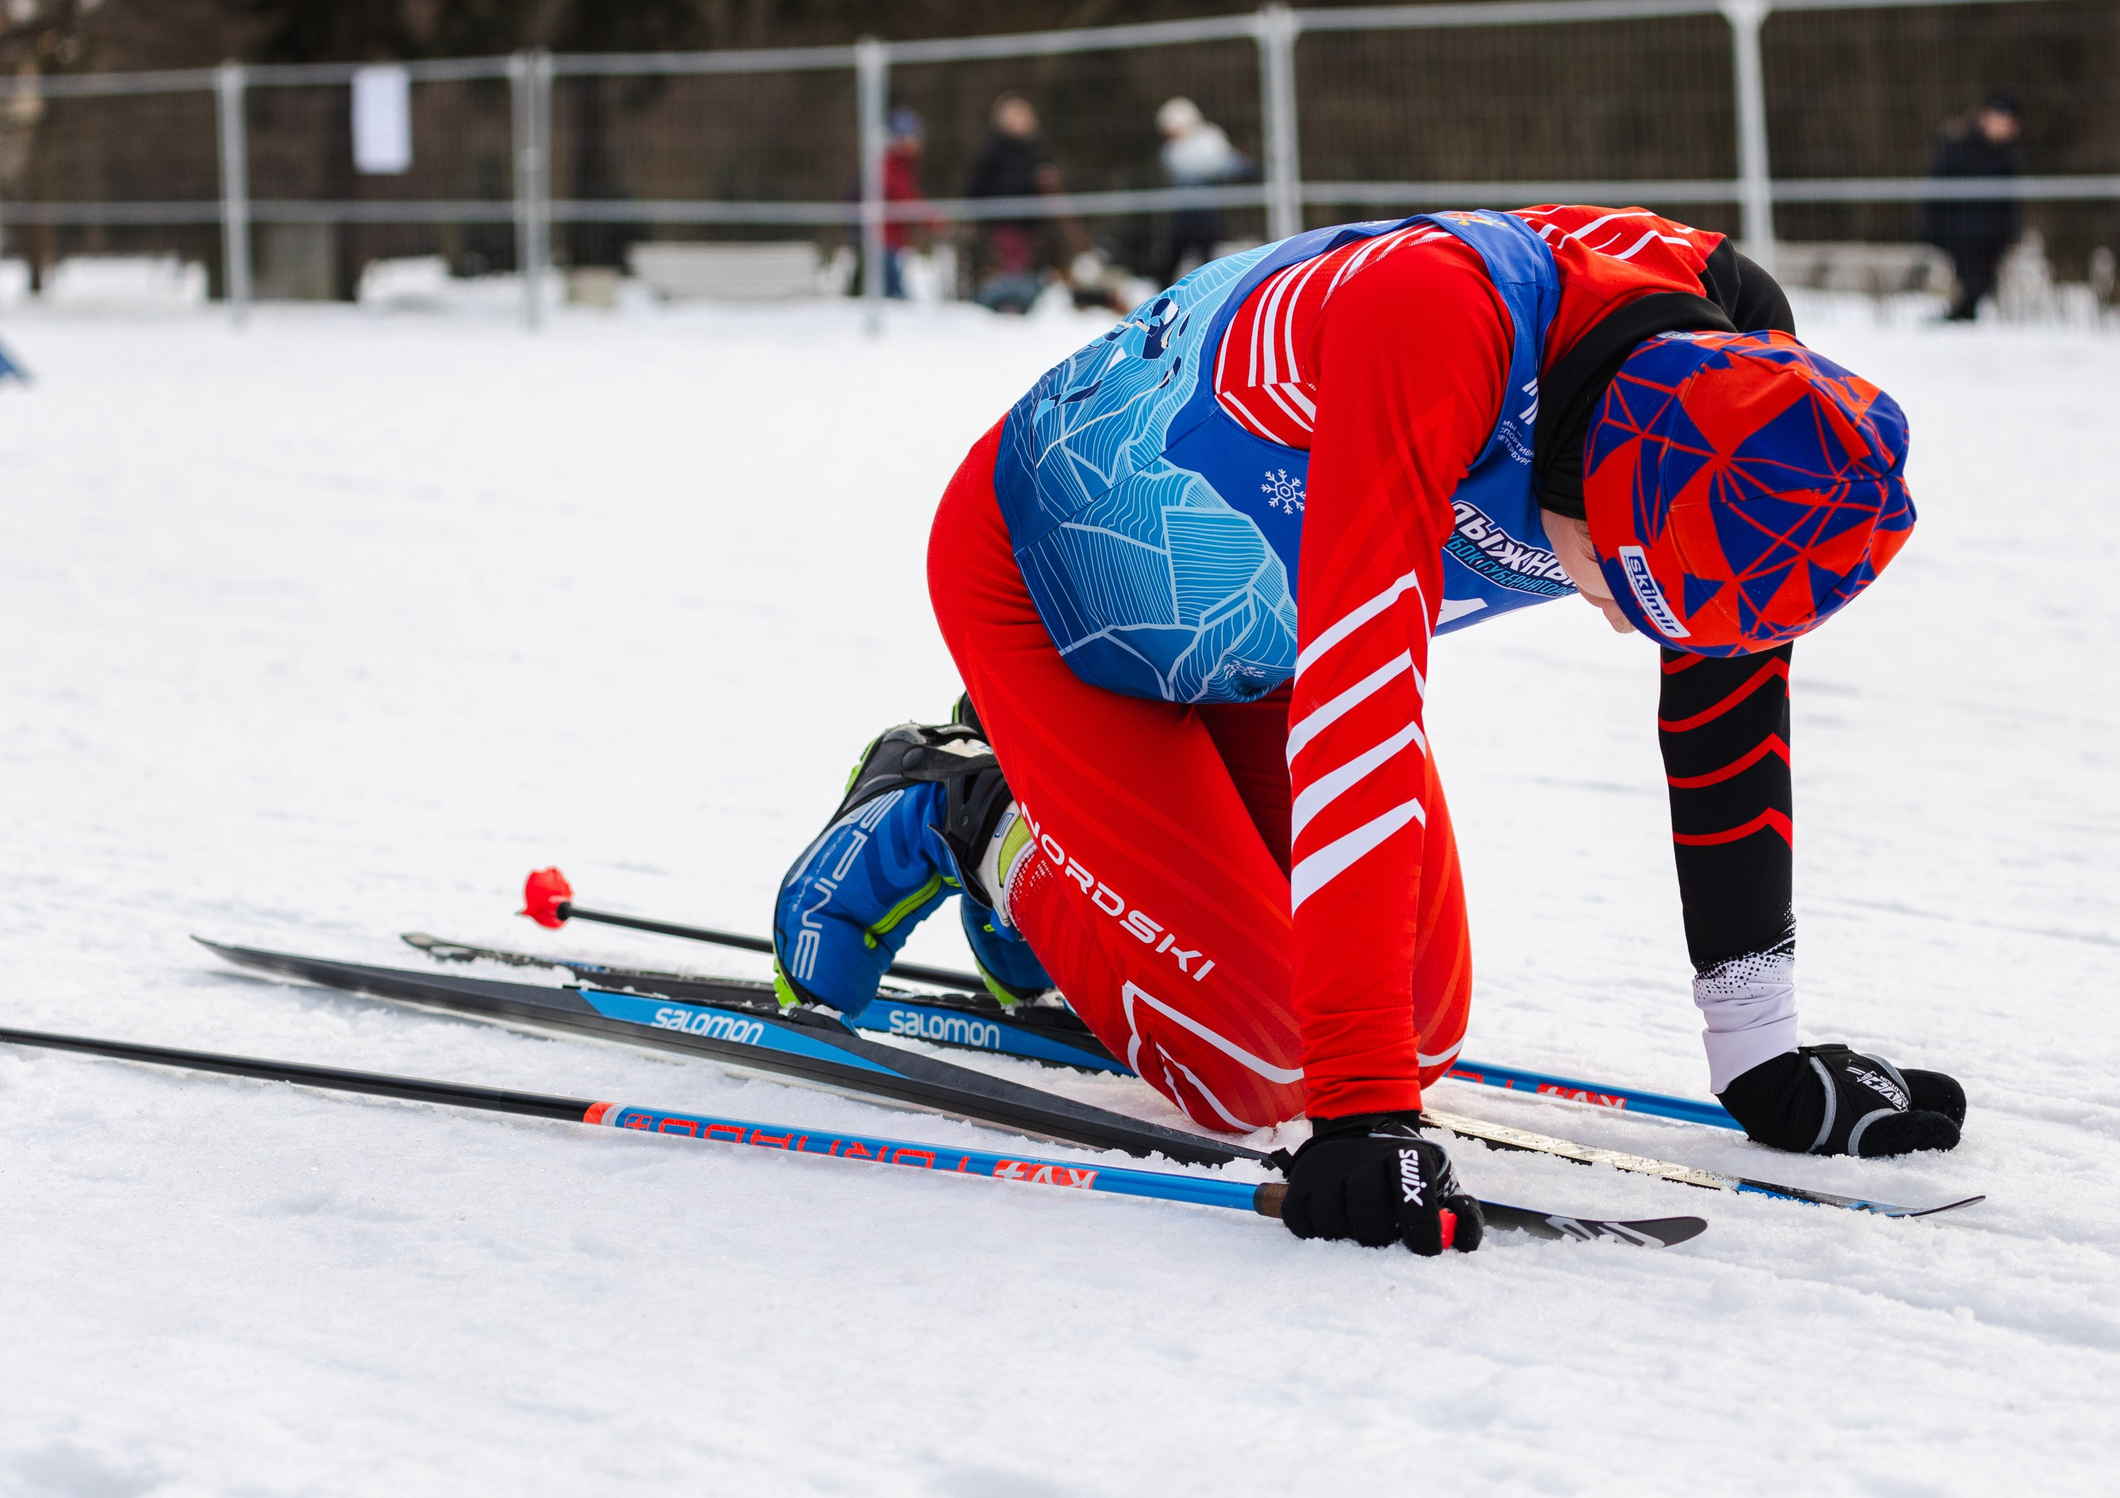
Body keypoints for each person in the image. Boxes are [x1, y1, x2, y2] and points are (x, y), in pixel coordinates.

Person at [773, 205, 1963, 1257]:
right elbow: (1362, 708)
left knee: (1421, 1028)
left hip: (1257, 647)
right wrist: (1359, 1110)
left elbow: (1728, 704)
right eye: (1622, 585)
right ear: (1593, 472)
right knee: (1256, 1067)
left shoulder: (1752, 387)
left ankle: (1067, 872)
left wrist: (1757, 1049)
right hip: (1055, 597)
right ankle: (959, 803)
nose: (1619, 623)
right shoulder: (1436, 318)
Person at [965, 94, 1081, 314]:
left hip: (1030, 220)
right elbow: (977, 184)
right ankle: (1007, 303)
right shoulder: (992, 150)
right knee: (1009, 263)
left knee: (1026, 263)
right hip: (1002, 219)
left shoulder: (1035, 149)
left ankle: (1022, 302)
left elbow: (1046, 175)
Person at [1923, 93, 2023, 321]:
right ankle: (1954, 321)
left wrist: (2009, 235)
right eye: (1999, 119)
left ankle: (1956, 321)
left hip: (1990, 237)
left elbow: (2008, 205)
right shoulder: (1959, 147)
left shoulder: (2007, 156)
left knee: (1980, 286)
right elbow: (1937, 192)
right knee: (1970, 283)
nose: (2003, 127)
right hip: (1959, 233)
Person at [1153, 96, 1253, 286]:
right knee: (1178, 253)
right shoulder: (1173, 152)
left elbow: (1227, 164)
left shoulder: (1207, 142)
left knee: (1205, 254)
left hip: (1203, 214)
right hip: (1185, 213)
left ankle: (1206, 290)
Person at [871, 107, 939, 300]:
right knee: (893, 294)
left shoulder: (905, 165)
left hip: (895, 239)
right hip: (884, 239)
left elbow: (910, 197)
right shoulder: (889, 165)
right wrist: (930, 219)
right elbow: (904, 198)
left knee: (894, 290)